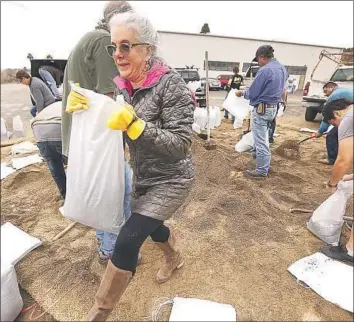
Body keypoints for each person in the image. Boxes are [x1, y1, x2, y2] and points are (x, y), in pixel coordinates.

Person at [66, 11, 195, 321]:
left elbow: (180, 145)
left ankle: (96, 315)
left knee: (128, 238)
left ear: (147, 49)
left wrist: (136, 126)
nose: (118, 54)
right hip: (143, 177)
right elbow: (116, 120)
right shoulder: (124, 85)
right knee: (152, 226)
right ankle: (173, 257)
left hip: (172, 179)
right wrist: (89, 112)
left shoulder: (171, 86)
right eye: (114, 47)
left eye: (126, 45)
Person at [62, 1, 134, 262]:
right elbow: (109, 99)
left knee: (103, 190)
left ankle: (104, 240)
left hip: (84, 136)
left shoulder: (87, 39)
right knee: (117, 190)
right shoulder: (104, 42)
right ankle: (112, 250)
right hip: (98, 137)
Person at [236, 45, 287, 178]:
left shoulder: (265, 71)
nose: (258, 63)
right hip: (273, 107)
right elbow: (283, 89)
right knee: (263, 136)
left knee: (261, 140)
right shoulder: (282, 68)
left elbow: (253, 92)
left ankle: (262, 170)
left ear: (262, 57)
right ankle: (261, 162)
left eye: (258, 60)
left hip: (262, 109)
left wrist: (242, 93)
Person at [320, 98, 353, 266]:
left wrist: (333, 183)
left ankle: (351, 252)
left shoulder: (348, 118)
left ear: (336, 113)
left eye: (334, 123)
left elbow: (343, 160)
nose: (337, 127)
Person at [31, 102, 66, 202]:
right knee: (75, 166)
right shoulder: (71, 105)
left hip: (38, 131)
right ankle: (78, 195)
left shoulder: (52, 107)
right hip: (57, 128)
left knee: (55, 169)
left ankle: (65, 196)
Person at [314, 82, 353, 165]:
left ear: (331, 87)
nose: (326, 94)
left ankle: (332, 159)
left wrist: (320, 132)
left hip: (350, 117)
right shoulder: (343, 91)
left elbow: (327, 116)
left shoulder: (334, 96)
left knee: (331, 135)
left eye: (325, 91)